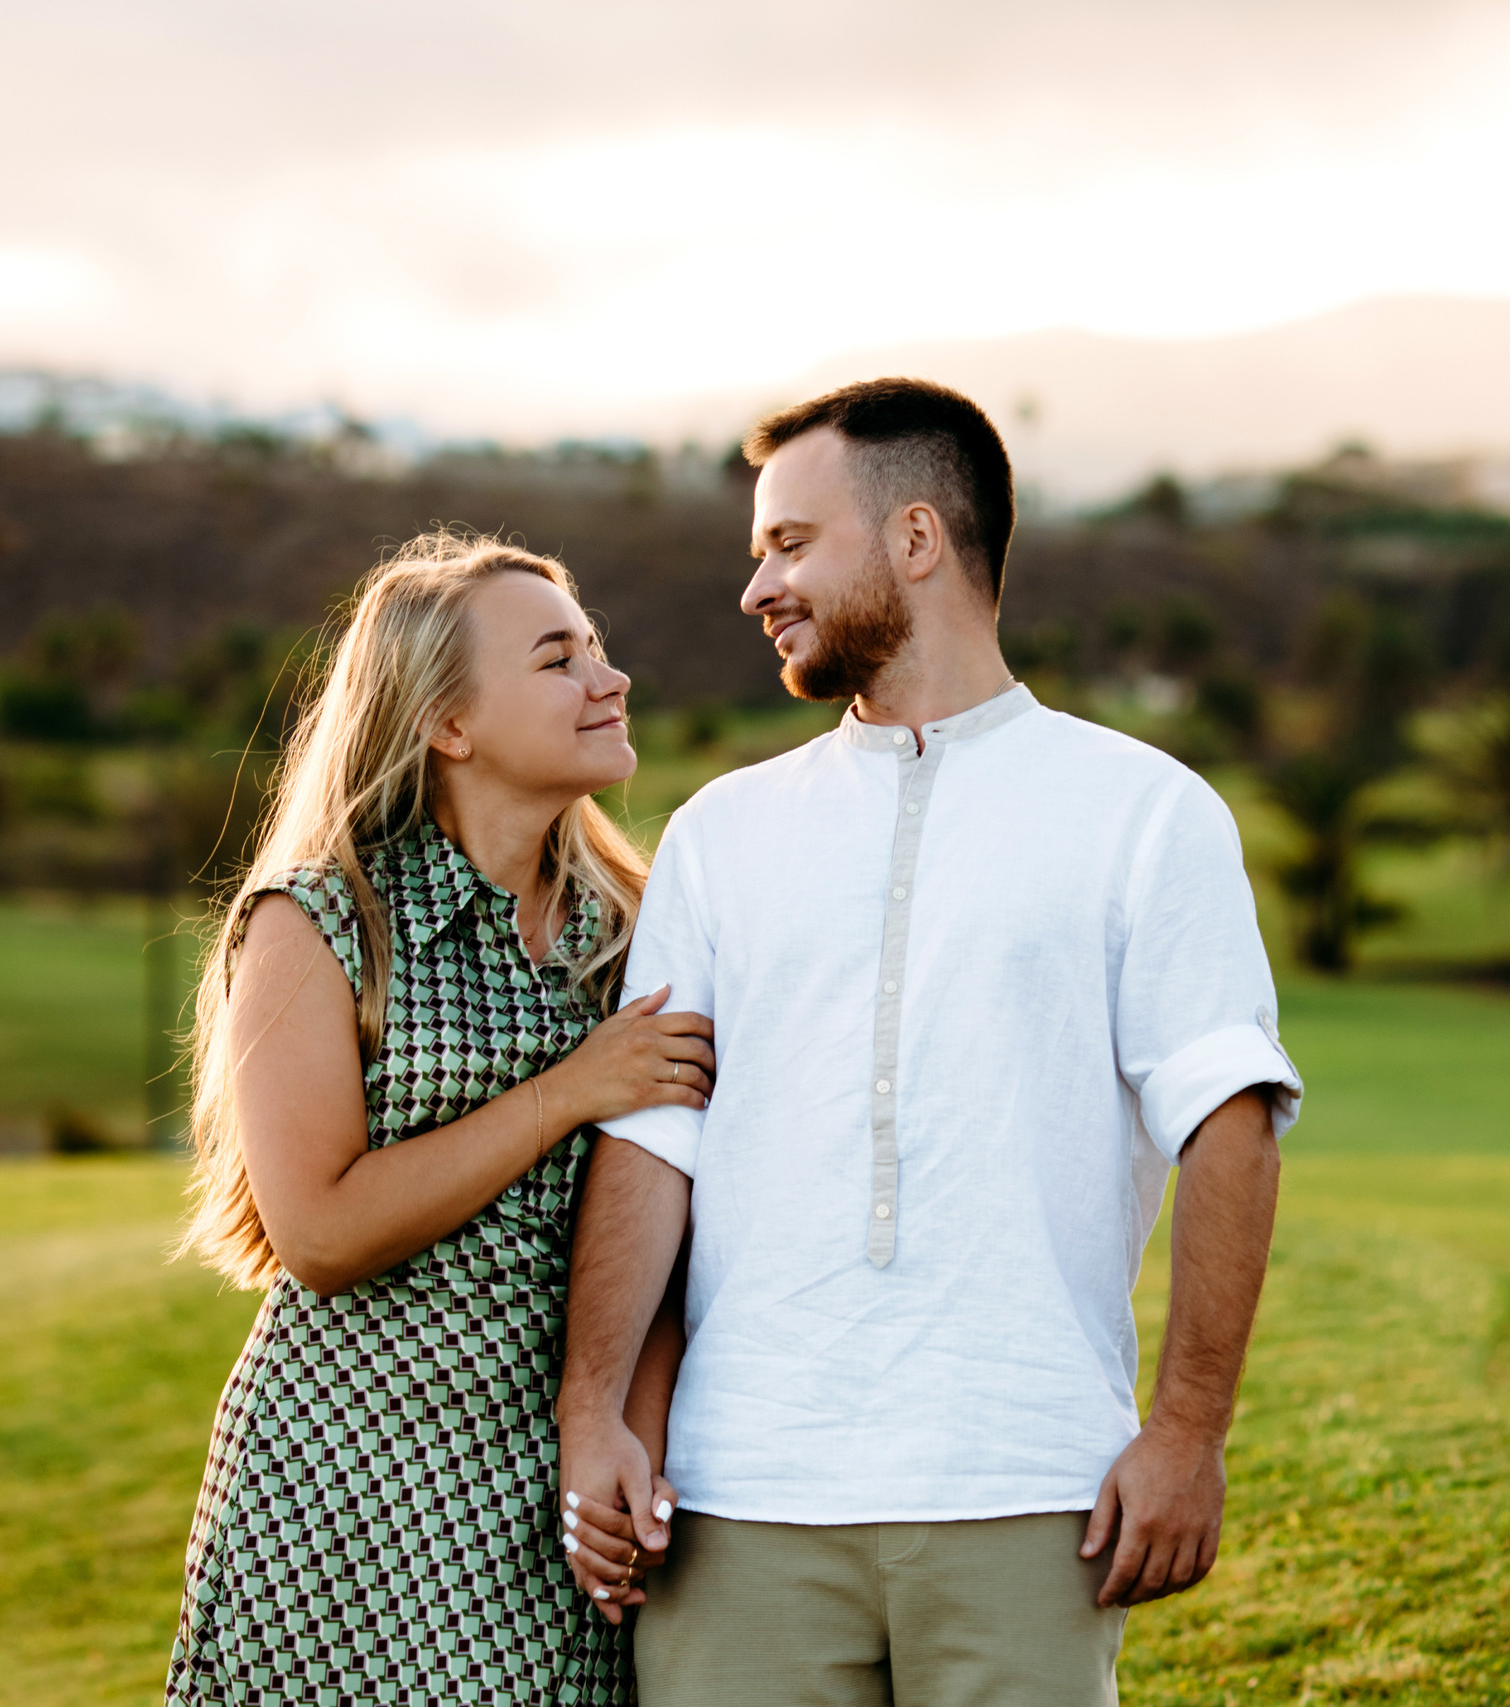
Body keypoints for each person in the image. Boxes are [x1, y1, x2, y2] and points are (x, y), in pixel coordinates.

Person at [556, 380, 1302, 1707]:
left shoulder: (1146, 811)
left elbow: (1227, 1120)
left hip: (1026, 1486)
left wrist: (1189, 1429)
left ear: (916, 539)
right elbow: (657, 1134)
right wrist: (596, 1409)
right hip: (741, 1499)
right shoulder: (722, 832)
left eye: (789, 544)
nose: (757, 589)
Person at [164, 532, 713, 1706]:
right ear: (447, 724)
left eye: (598, 649)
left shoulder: (640, 926)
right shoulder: (318, 922)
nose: (608, 679)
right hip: (347, 1489)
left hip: (557, 1475)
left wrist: (633, 1431)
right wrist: (569, 1090)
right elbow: (316, 1229)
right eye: (559, 659)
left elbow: (687, 1212)